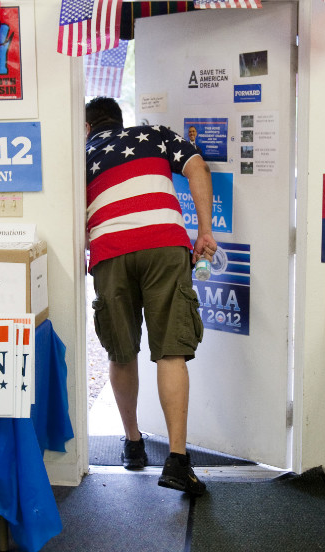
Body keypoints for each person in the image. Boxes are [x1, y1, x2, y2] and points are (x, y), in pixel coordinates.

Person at [85, 97, 216, 496]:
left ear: (88, 127)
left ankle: (133, 443)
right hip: (164, 243)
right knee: (171, 351)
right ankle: (177, 460)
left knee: (120, 351)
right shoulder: (155, 134)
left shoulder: (83, 151)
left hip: (109, 250)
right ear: (122, 121)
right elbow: (198, 167)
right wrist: (205, 232)